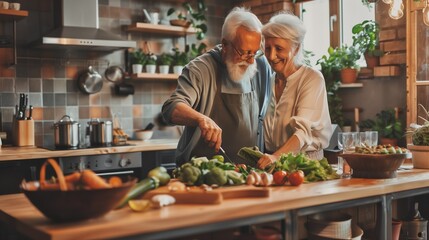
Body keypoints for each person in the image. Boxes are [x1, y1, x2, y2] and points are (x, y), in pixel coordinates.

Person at [162, 7, 272, 166]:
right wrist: (201, 119)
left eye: (254, 52)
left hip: (249, 173)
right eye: (244, 52)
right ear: (225, 45)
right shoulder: (199, 69)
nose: (250, 61)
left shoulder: (261, 66)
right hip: (202, 172)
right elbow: (171, 108)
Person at [257, 12, 333, 170]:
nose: (271, 56)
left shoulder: (312, 79)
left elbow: (303, 133)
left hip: (305, 165)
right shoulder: (269, 80)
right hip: (272, 163)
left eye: (279, 48)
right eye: (268, 48)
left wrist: (276, 157)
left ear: (296, 48)